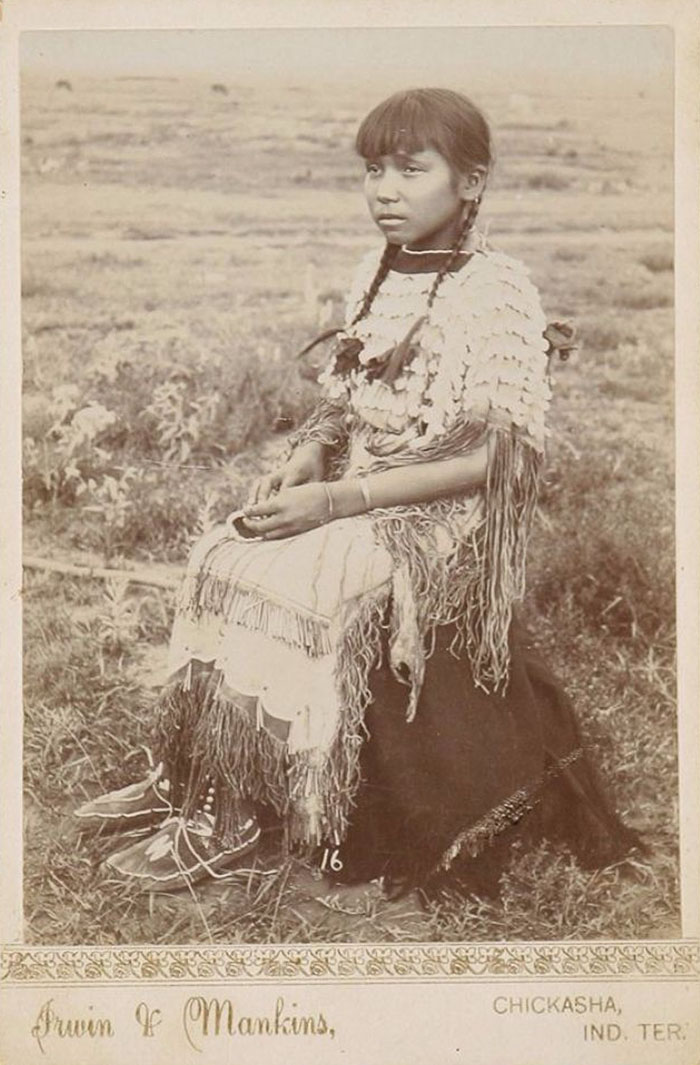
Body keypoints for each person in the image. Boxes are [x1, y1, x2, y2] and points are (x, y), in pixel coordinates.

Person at [76, 88, 640, 898]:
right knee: (222, 548)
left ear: (470, 183)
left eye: (412, 170)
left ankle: (238, 817)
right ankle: (190, 776)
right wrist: (311, 455)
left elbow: (502, 455)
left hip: (439, 513)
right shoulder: (373, 273)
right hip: (364, 487)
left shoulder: (496, 290)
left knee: (288, 574)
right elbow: (346, 396)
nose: (385, 190)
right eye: (374, 170)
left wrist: (340, 503)